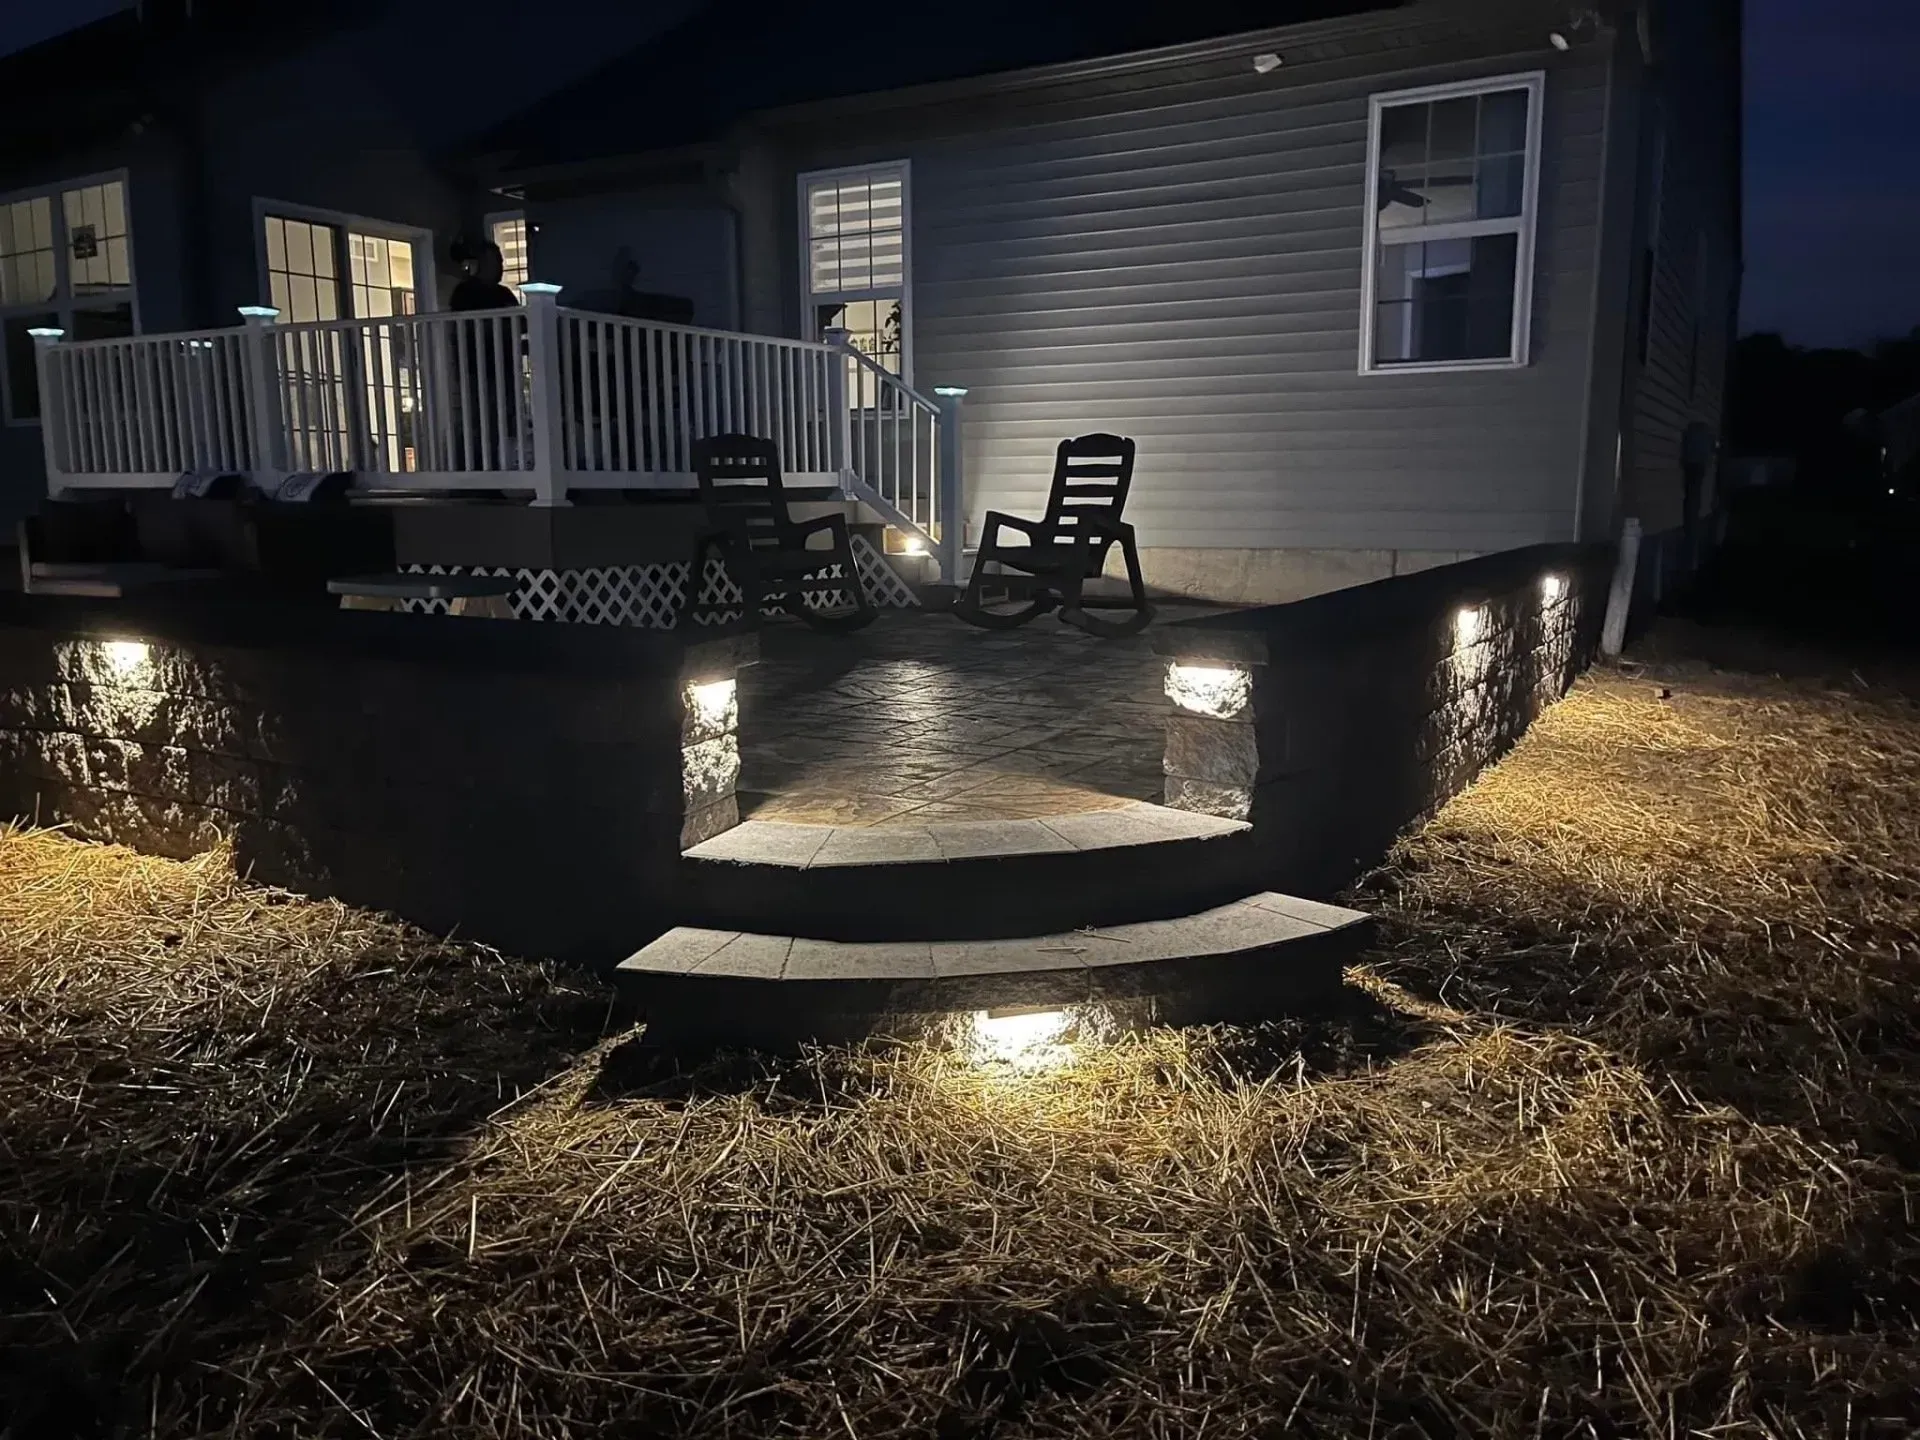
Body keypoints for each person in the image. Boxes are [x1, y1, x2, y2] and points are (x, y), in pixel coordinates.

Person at [448, 239, 518, 311]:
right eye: (496, 262)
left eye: (500, 263)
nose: (501, 267)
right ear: (483, 264)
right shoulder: (464, 293)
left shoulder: (505, 293)